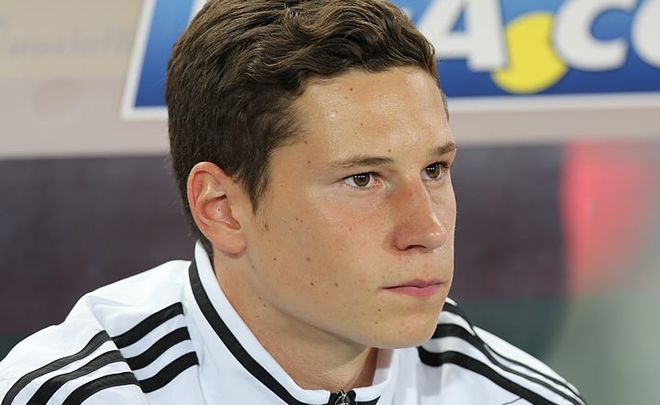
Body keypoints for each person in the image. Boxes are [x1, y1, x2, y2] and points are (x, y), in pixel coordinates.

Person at [0, 1, 585, 404]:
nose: (427, 230)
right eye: (363, 179)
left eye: (434, 170)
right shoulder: (77, 393)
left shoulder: (516, 396)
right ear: (222, 208)